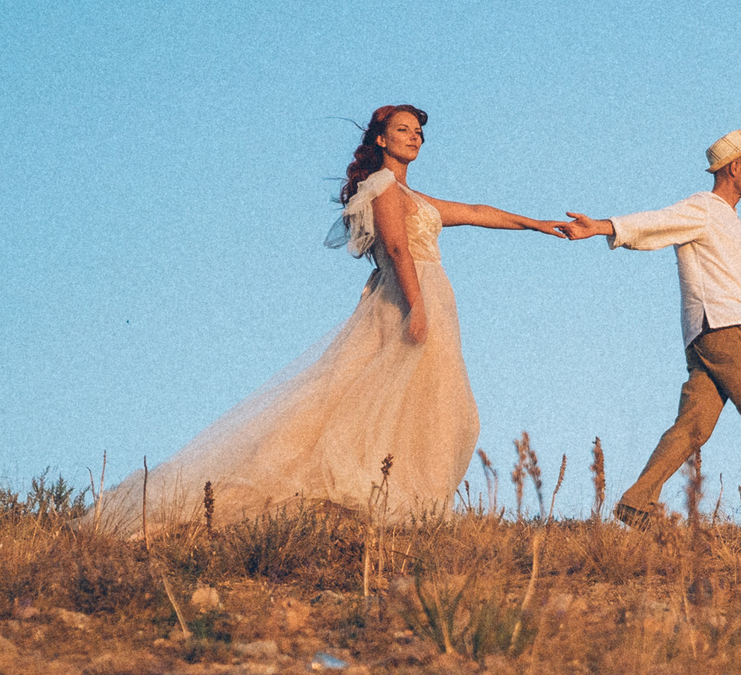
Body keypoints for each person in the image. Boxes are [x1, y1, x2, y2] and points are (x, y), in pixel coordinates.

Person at [98, 104, 569, 534]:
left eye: (419, 132)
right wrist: (417, 308)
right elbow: (400, 249)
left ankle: (405, 503)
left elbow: (473, 211)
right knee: (390, 400)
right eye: (403, 130)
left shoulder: (413, 195)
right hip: (408, 297)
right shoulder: (382, 187)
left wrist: (536, 224)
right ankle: (374, 497)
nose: (415, 137)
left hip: (431, 297)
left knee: (429, 403)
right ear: (380, 140)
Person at [564, 129, 741, 526]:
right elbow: (657, 223)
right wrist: (603, 227)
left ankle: (636, 501)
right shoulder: (704, 208)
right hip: (729, 330)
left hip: (705, 335)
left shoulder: (726, 217)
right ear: (734, 168)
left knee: (692, 425)